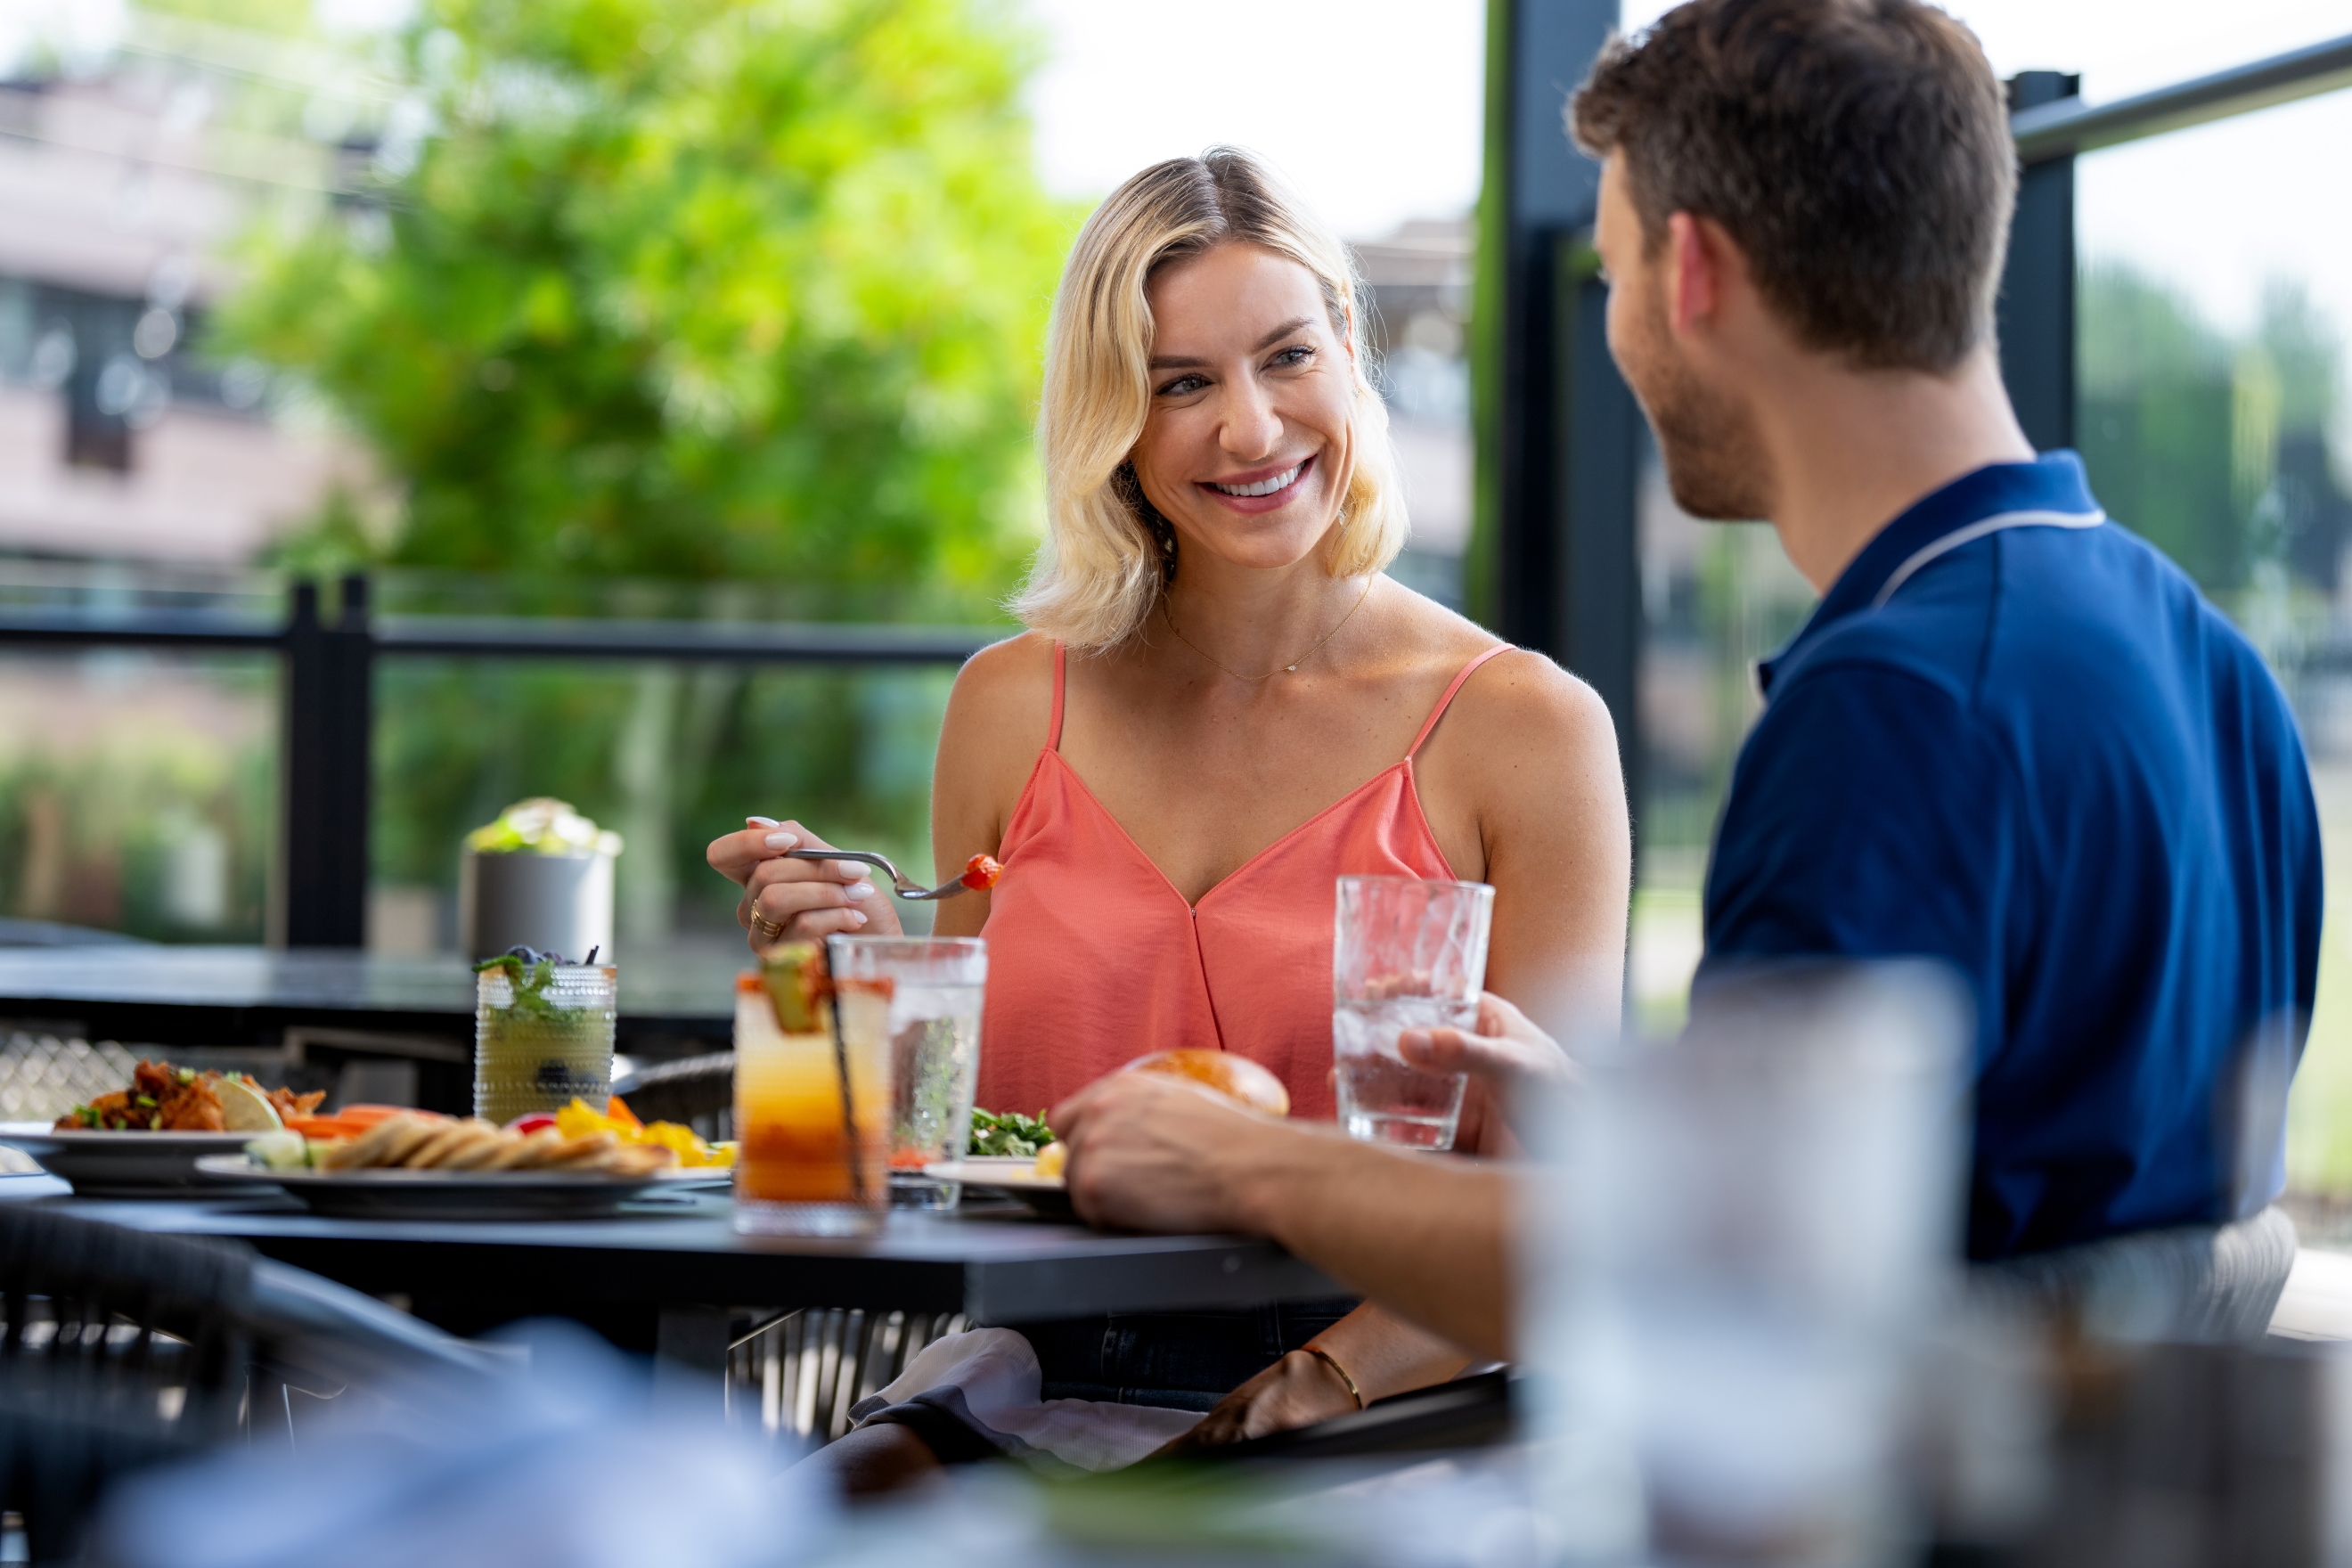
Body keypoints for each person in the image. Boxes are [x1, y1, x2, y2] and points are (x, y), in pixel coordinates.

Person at [1052, 0, 2323, 1355]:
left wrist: (1239, 1161)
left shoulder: (1892, 713)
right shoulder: (2213, 667)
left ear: (1696, 274)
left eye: (1612, 275)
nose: (1615, 336)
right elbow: (1998, 1189)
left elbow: (1719, 1289)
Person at [707, 149, 1630, 1480]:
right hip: (1024, 1370)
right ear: (1111, 422)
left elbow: (1564, 1188)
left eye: (1287, 358)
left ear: (1351, 350)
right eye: (1180, 384)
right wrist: (840, 976)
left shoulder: (1527, 728)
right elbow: (950, 1150)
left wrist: (1326, 1378)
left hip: (1386, 1403)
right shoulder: (1011, 705)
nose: (1249, 430)